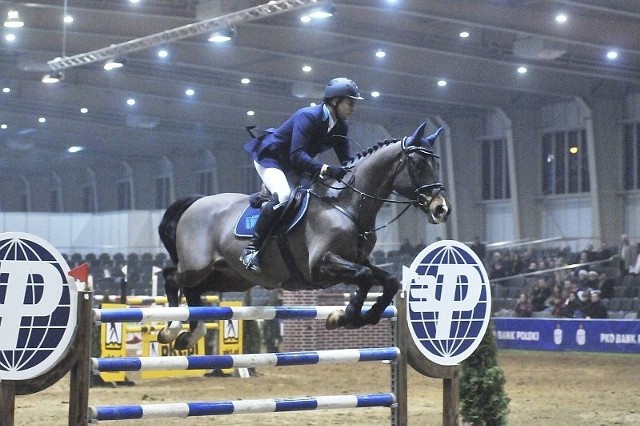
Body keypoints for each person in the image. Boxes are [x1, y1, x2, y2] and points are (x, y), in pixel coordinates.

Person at [240, 77, 364, 272]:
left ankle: (264, 198)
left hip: (294, 166)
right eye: (350, 103)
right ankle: (251, 250)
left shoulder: (341, 126)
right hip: (271, 158)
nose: (353, 108)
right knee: (284, 195)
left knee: (313, 195)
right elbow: (297, 155)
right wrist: (326, 169)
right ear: (335, 101)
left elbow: (346, 161)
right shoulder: (308, 116)